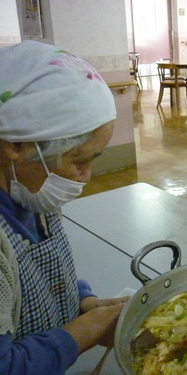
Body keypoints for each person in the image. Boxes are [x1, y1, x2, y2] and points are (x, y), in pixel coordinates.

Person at [0, 41, 128, 374]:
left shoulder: (29, 187)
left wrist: (84, 302)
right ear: (16, 145)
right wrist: (92, 327)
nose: (86, 177)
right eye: (80, 162)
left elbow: (50, 271)